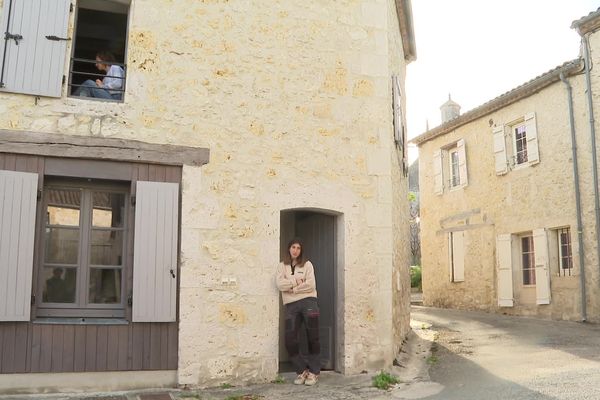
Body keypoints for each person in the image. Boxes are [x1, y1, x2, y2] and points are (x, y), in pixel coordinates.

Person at [276, 238, 321, 386]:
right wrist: (298, 281)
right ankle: (302, 370)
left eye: (298, 248)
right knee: (289, 340)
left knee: (313, 337)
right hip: (291, 305)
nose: (295, 250)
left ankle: (314, 372)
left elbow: (311, 284)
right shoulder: (282, 266)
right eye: (293, 247)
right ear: (288, 249)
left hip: (309, 302)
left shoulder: (307, 265)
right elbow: (280, 284)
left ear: (301, 251)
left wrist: (293, 289)